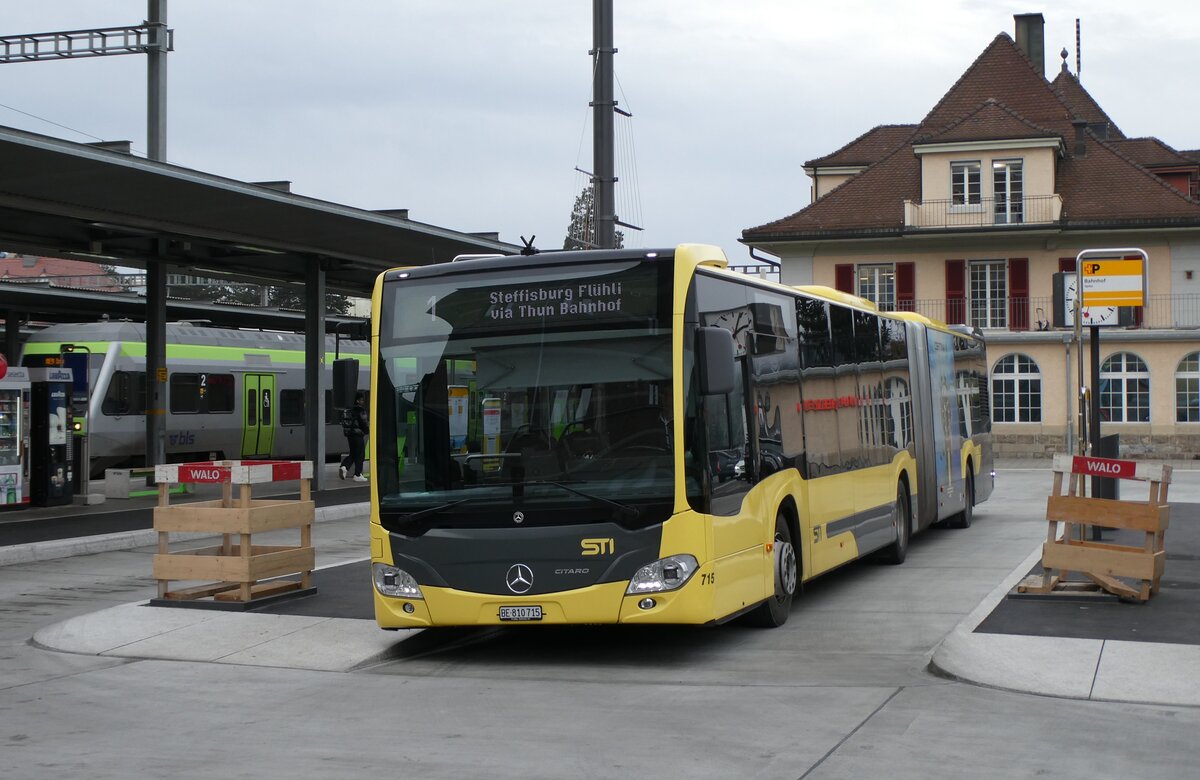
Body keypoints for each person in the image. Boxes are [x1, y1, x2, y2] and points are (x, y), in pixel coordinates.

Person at [340, 393, 369, 481]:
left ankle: (344, 466)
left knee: (353, 453)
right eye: (362, 400)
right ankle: (357, 474)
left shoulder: (349, 410)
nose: (363, 401)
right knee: (360, 454)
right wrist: (367, 431)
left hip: (350, 435)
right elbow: (364, 423)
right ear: (357, 401)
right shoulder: (360, 410)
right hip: (357, 435)